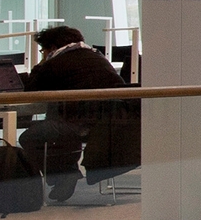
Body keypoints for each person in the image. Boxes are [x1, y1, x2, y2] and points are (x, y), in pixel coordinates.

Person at [20, 24, 139, 204]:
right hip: (112, 123)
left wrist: (41, 64)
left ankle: (64, 175)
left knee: (30, 137)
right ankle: (66, 173)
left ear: (52, 48)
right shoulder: (96, 56)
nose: (43, 53)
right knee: (55, 124)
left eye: (43, 50)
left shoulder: (56, 63)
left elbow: (30, 92)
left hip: (81, 124)